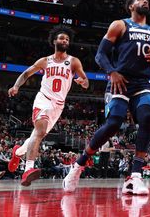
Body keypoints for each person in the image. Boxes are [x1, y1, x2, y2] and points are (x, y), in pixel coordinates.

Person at [63, 0, 150, 196]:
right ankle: (78, 165)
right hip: (120, 81)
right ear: (131, 6)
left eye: (146, 0)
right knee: (114, 123)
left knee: (148, 117)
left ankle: (135, 176)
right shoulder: (120, 25)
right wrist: (112, 72)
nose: (145, 1)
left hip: (142, 82)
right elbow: (100, 54)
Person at [7, 25, 89, 186]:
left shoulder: (73, 61)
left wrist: (82, 82)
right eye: (61, 38)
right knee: (40, 131)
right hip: (43, 99)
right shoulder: (45, 61)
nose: (64, 40)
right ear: (54, 41)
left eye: (67, 39)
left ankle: (17, 152)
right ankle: (28, 169)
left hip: (58, 106)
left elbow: (86, 81)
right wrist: (16, 86)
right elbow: (25, 74)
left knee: (37, 136)